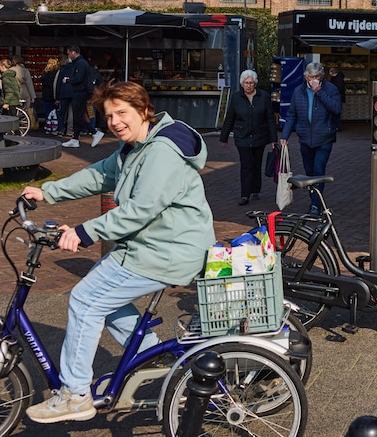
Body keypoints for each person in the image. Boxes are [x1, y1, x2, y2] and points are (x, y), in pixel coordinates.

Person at [21, 81, 215, 424]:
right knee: (103, 299)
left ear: (143, 111)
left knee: (85, 300)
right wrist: (47, 193)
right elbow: (99, 176)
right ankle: (151, 355)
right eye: (109, 115)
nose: (114, 121)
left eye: (122, 113)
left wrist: (84, 232)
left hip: (169, 250)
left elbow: (140, 210)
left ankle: (75, 395)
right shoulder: (134, 147)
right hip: (147, 246)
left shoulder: (160, 151)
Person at [281, 62, 342, 215]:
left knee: (318, 171)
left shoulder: (330, 89)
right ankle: (315, 198)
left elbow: (336, 109)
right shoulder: (298, 91)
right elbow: (291, 115)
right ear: (306, 77)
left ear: (321, 77)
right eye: (310, 77)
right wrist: (285, 135)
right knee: (309, 173)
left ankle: (315, 204)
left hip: (324, 138)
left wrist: (319, 92)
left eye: (316, 77)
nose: (313, 79)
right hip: (305, 139)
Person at [219, 69, 277, 205]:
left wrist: (273, 139)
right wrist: (224, 136)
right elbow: (230, 118)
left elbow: (270, 118)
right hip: (242, 136)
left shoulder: (264, 96)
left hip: (260, 135)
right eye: (246, 83)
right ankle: (245, 194)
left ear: (255, 83)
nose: (249, 85)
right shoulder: (236, 98)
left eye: (251, 83)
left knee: (256, 164)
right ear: (242, 84)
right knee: (246, 165)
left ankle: (255, 189)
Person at [62, 46, 104, 148]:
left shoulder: (80, 64)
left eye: (69, 53)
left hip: (80, 93)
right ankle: (75, 139)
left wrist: (68, 80)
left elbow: (78, 79)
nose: (68, 56)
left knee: (78, 116)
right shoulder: (81, 63)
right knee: (79, 115)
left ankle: (94, 132)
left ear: (73, 52)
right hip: (81, 92)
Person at [55, 57, 75, 137]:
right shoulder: (75, 69)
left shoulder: (62, 69)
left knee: (62, 112)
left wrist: (57, 97)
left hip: (63, 93)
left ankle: (61, 130)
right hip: (73, 93)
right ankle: (70, 130)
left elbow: (58, 83)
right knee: (71, 113)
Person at [12, 55, 37, 120]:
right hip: (24, 92)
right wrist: (33, 96)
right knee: (25, 110)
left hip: (14, 92)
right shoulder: (25, 71)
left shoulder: (10, 70)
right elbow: (29, 84)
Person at [40, 57, 60, 123]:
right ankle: (54, 125)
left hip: (46, 95)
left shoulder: (44, 73)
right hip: (55, 94)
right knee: (55, 112)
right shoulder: (57, 73)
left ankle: (48, 125)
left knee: (47, 112)